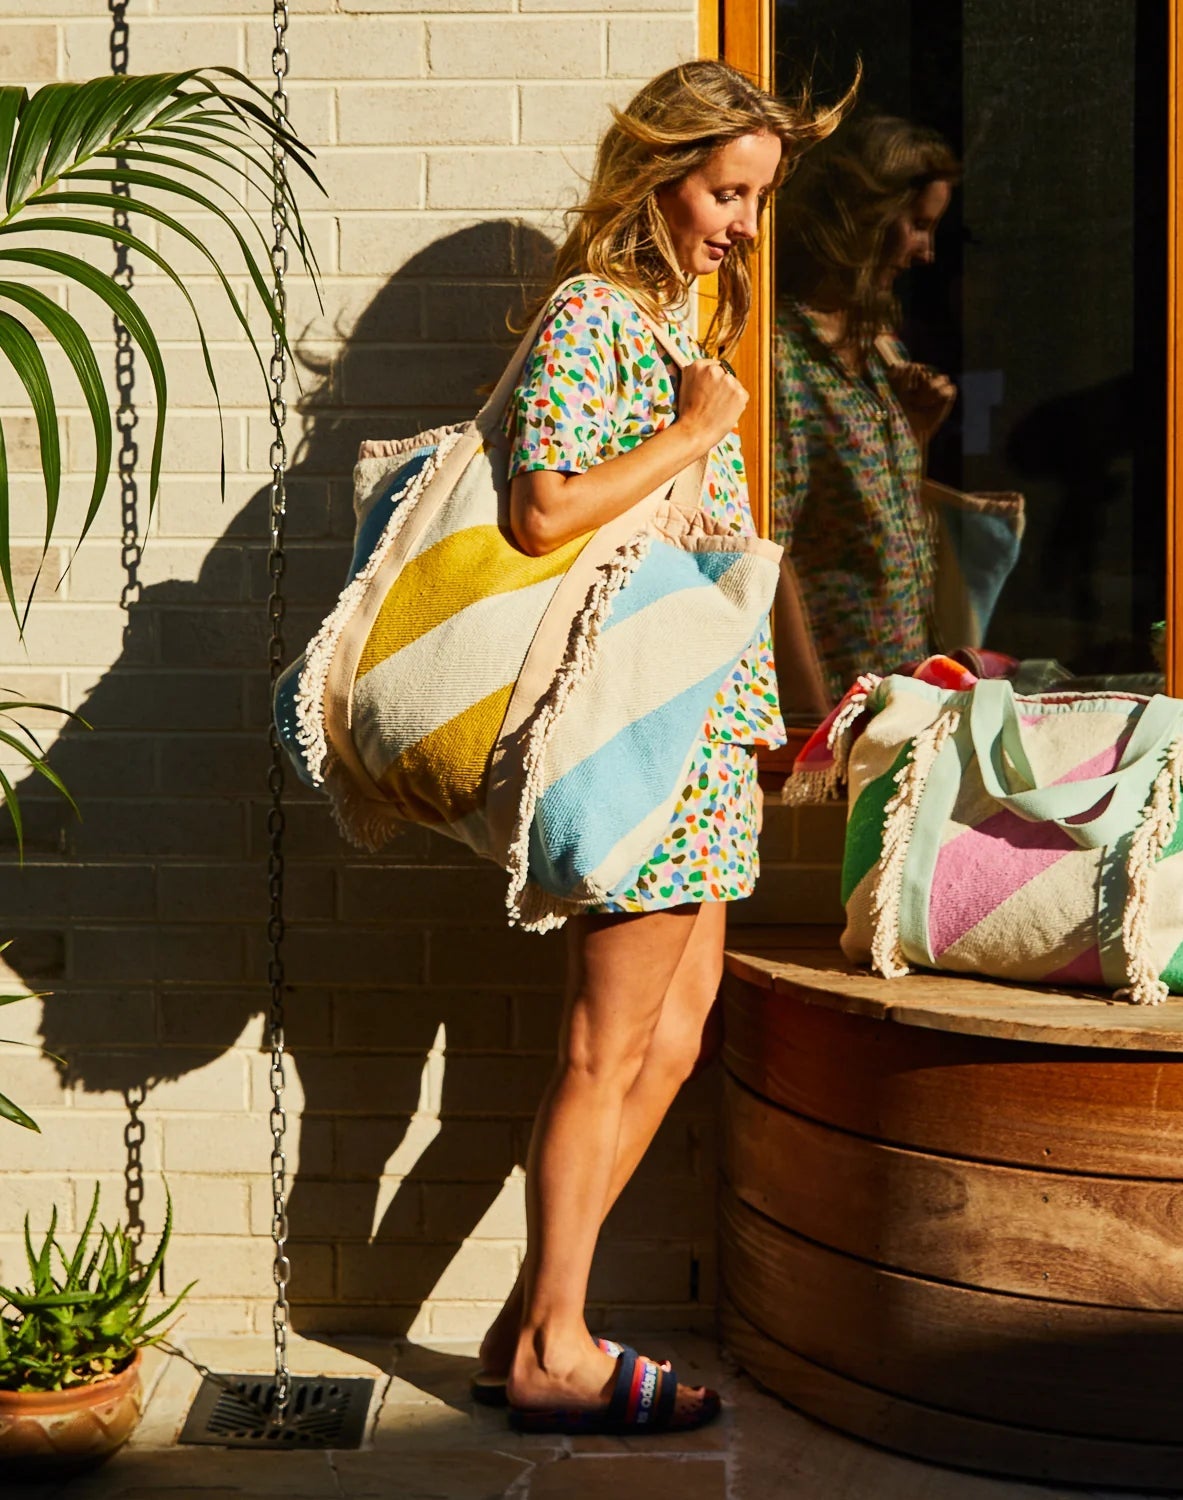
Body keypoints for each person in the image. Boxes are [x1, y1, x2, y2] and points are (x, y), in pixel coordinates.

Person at [468, 61, 848, 1435]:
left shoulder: (680, 321)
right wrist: (694, 427)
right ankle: (557, 1344)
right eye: (726, 191)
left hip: (704, 733)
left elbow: (717, 546)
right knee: (602, 1044)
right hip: (636, 733)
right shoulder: (594, 317)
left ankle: (536, 1318)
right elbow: (542, 507)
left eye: (758, 197)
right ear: (658, 179)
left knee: (675, 1037)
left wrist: (785, 711)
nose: (746, 222)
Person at [772, 114, 963, 714]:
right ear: (865, 216)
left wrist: (917, 430)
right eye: (918, 226)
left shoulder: (876, 345)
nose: (926, 252)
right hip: (835, 701)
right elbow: (768, 559)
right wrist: (811, 723)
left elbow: (874, 513)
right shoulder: (783, 356)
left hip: (897, 689)